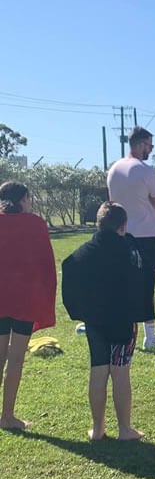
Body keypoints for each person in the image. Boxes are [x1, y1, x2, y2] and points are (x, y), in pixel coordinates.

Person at [62, 202, 149, 440]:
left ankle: (98, 429)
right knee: (120, 371)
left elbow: (68, 268)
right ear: (123, 226)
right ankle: (125, 429)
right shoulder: (129, 250)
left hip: (95, 319)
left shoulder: (84, 251)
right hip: (123, 318)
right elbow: (143, 279)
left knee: (98, 369)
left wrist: (78, 311)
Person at [107, 126, 155, 349]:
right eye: (149, 146)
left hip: (121, 234)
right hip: (146, 236)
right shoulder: (146, 170)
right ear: (139, 144)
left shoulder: (114, 169)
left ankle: (123, 327)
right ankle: (149, 335)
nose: (151, 150)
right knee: (147, 285)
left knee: (122, 282)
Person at [0, 181, 57, 429]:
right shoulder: (36, 224)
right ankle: (7, 416)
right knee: (15, 359)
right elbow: (47, 264)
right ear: (24, 198)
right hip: (24, 300)